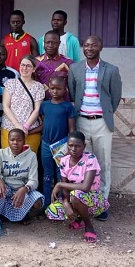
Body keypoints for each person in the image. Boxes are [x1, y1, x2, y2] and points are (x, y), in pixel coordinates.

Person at [68, 35, 122, 215]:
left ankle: (101, 204)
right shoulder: (75, 68)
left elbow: (115, 97)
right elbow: (73, 92)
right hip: (81, 121)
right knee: (84, 164)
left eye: (94, 45)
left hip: (102, 123)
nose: (89, 48)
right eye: (87, 45)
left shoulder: (112, 70)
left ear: (101, 47)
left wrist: (103, 115)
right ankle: (85, 201)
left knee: (103, 163)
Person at [45, 131, 110, 244]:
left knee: (75, 195)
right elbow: (66, 188)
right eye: (70, 146)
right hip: (73, 196)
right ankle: (80, 219)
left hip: (93, 198)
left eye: (77, 146)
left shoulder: (90, 159)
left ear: (84, 146)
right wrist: (65, 203)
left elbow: (85, 187)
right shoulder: (64, 161)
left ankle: (89, 226)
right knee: (52, 210)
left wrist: (59, 184)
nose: (73, 149)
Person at [40, 76, 77, 208]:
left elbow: (72, 128)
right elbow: (44, 123)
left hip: (61, 145)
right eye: (52, 88)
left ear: (65, 90)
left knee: (60, 174)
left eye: (58, 89)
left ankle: (61, 204)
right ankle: (46, 205)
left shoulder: (68, 107)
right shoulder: (44, 105)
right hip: (45, 144)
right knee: (47, 174)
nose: (55, 91)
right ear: (49, 88)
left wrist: (69, 146)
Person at [0, 129, 44, 224]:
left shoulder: (31, 156)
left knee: (38, 202)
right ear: (8, 141)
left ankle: (24, 214)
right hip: (6, 187)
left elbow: (34, 180)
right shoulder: (1, 153)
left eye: (19, 140)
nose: (15, 143)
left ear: (24, 141)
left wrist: (25, 189)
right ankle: (0, 214)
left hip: (23, 188)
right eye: (12, 140)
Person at [1, 55, 45, 153]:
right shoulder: (10, 83)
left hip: (30, 131)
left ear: (34, 69)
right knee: (9, 162)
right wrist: (17, 125)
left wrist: (25, 127)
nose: (24, 68)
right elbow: (6, 106)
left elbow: (37, 109)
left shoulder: (38, 87)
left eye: (28, 66)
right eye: (22, 65)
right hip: (10, 128)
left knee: (28, 162)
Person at [35, 30, 74, 101]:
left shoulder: (68, 63)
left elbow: (73, 87)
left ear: (59, 43)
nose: (50, 45)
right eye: (47, 42)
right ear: (44, 43)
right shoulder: (35, 62)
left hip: (62, 106)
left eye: (54, 43)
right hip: (40, 105)